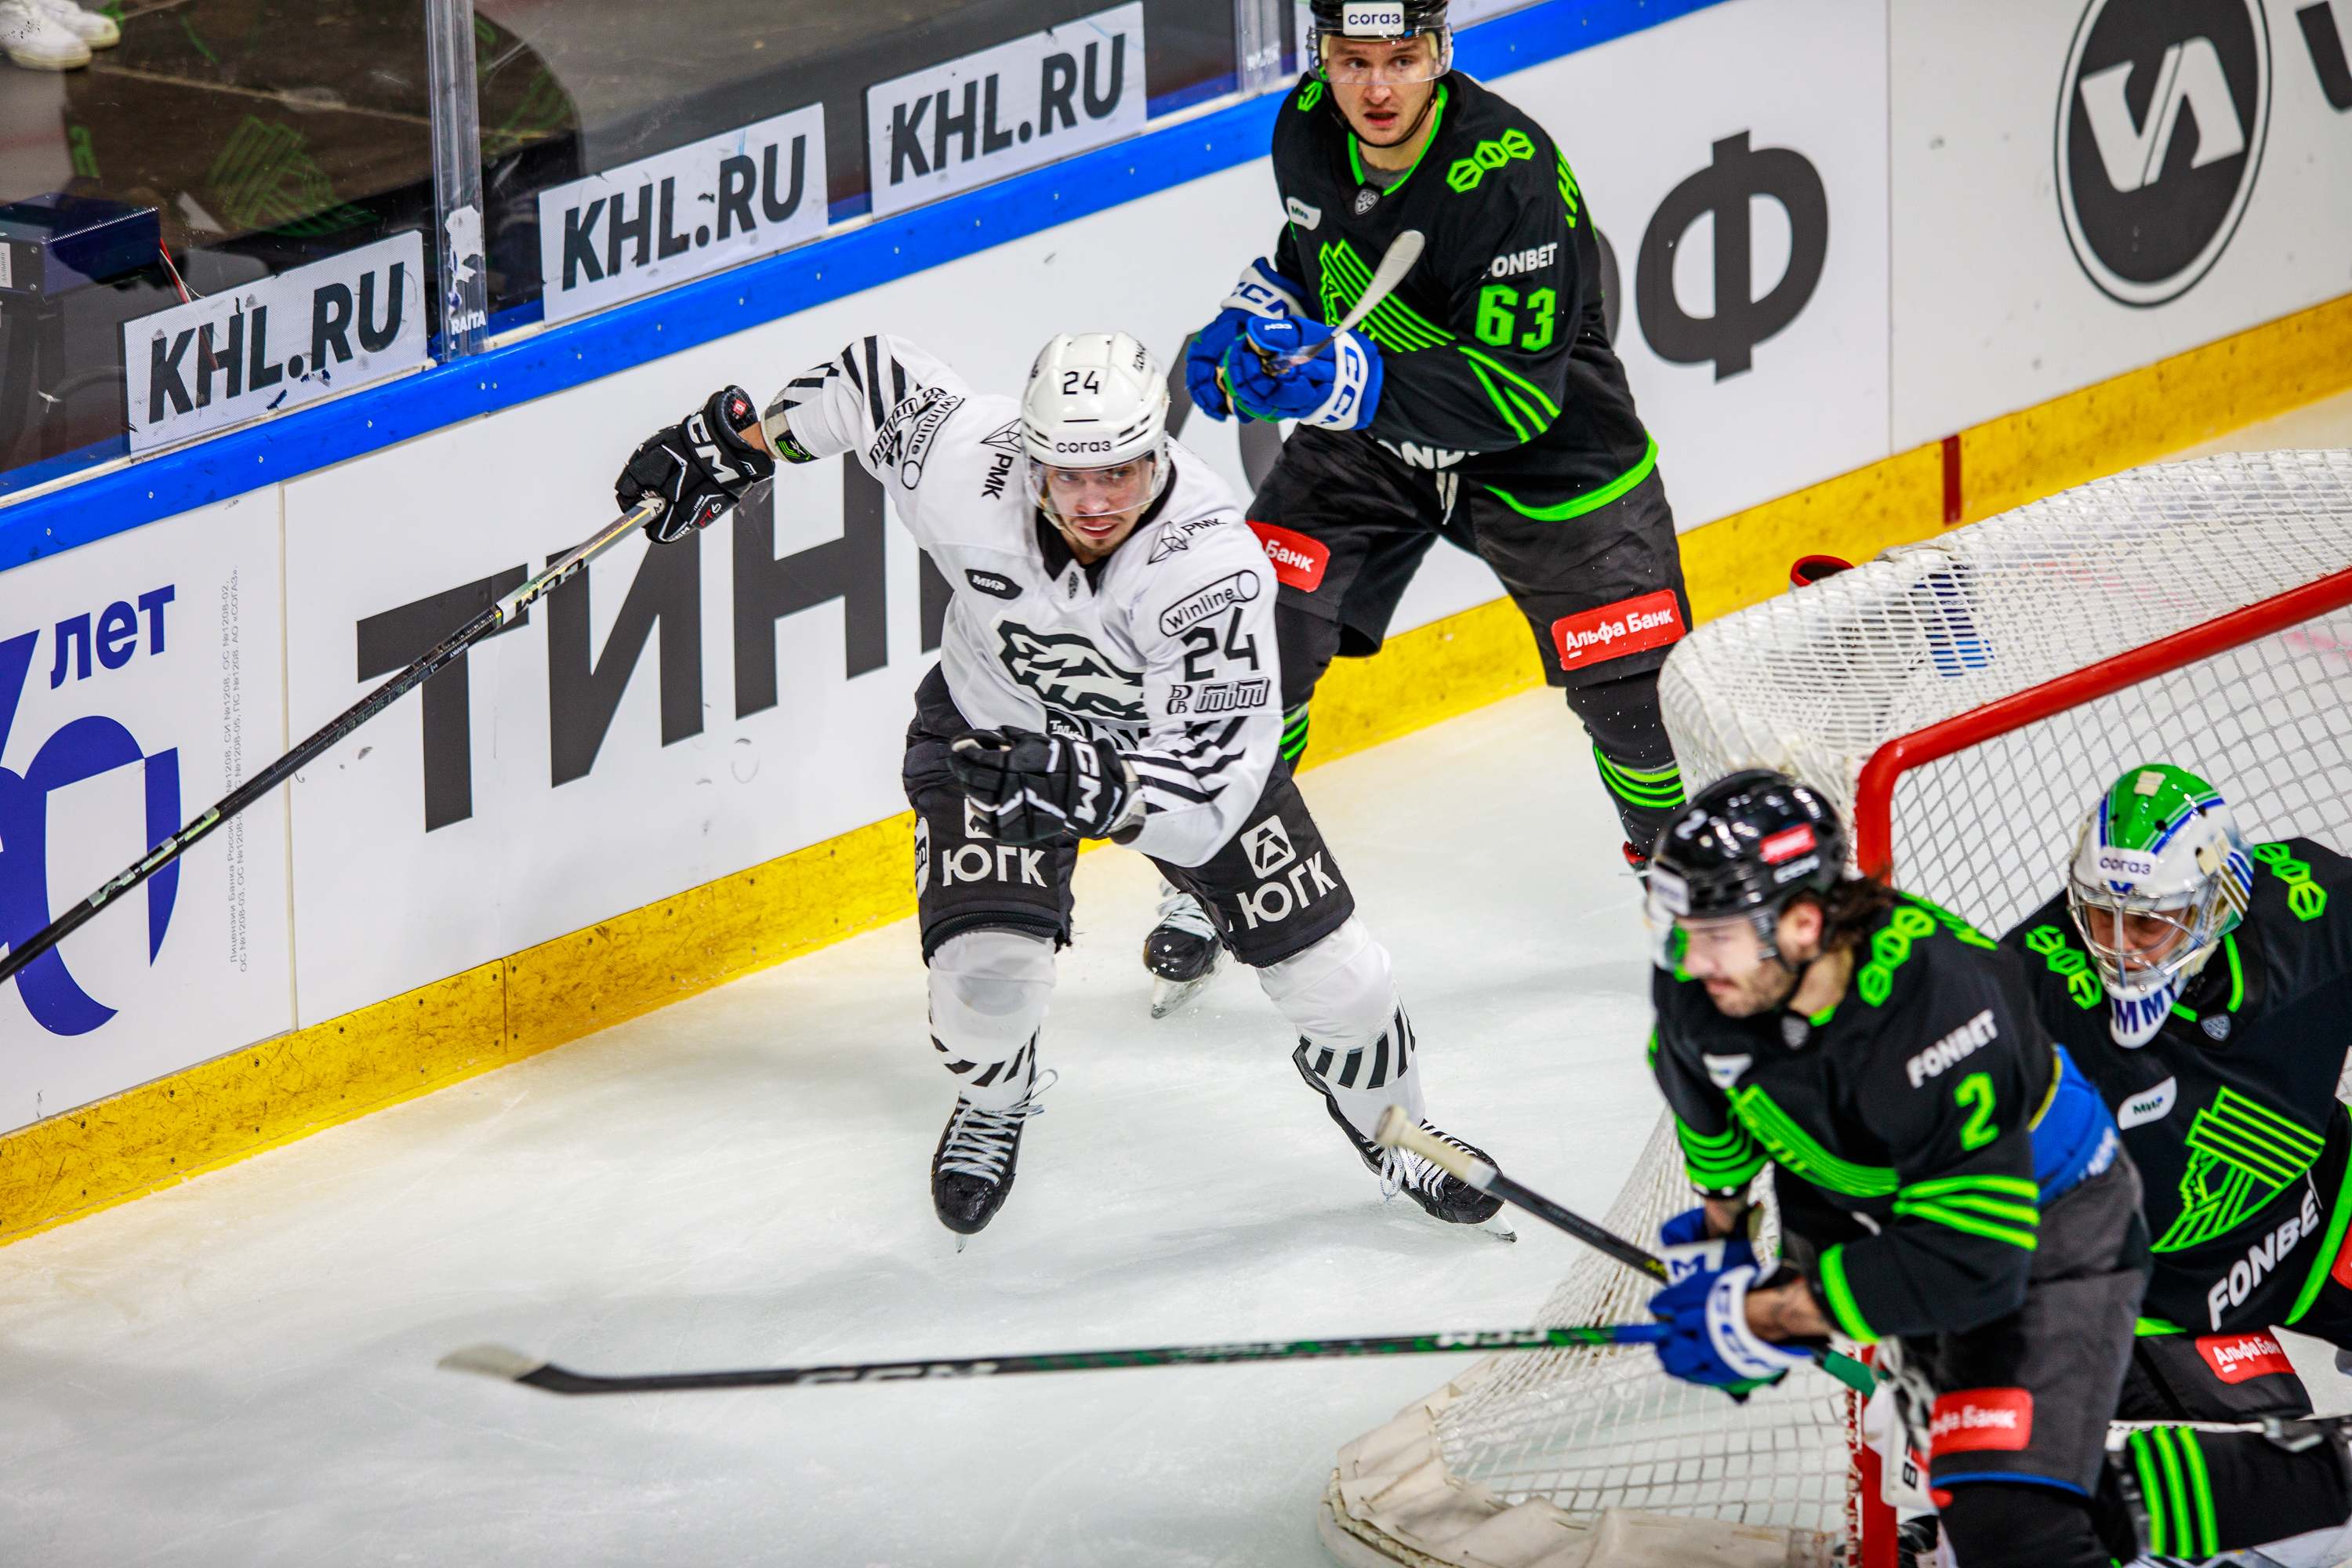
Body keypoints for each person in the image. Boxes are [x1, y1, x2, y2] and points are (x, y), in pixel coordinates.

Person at [608, 332, 1504, 1239]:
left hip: (1163, 761)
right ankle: (998, 1095)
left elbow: (1209, 797)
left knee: (1344, 983)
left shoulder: (1209, 565)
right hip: (988, 735)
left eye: (1119, 470)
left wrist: (1098, 784)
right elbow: (869, 379)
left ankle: (1397, 1130)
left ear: (1158, 446)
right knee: (982, 997)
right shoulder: (965, 462)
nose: (1093, 500)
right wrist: (739, 446)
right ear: (1027, 454)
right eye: (1066, 472)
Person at [1145, 0, 1691, 1011]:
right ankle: (1226, 861)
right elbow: (1320, 260)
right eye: (1352, 62)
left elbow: (1518, 393)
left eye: (1403, 60)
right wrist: (1259, 313)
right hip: (1375, 451)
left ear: (1442, 53)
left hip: (1551, 455)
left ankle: (1685, 888)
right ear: (1321, 58)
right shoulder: (1305, 123)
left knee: (1633, 699)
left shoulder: (1510, 169)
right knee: (1252, 645)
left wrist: (1336, 379)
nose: (1378, 89)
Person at [1642, 771, 2145, 1568]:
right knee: (1945, 1463)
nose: (1685, 957)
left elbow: (1975, 1258)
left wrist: (1768, 1315)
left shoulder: (1944, 1000)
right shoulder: (1707, 981)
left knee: (2012, 1521)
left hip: (2051, 1228)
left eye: (1714, 933)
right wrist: (1723, 1243)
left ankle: (2304, 1477)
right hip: (1864, 1196)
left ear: (1802, 921)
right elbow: (1713, 1115)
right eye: (1673, 925)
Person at [2004, 764, 2352, 1565]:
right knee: (2265, 1504)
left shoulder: (2321, 914)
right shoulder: (2028, 988)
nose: (2118, 949)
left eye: (2149, 924)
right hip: (2158, 1297)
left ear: (2217, 904)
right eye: (2099, 914)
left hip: (2315, 1211)